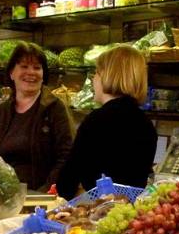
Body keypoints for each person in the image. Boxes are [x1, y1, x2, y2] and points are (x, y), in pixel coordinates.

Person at [0, 42, 74, 191]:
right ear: (12, 73)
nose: (31, 72)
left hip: (40, 200)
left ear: (43, 75)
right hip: (2, 198)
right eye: (24, 66)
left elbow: (66, 158)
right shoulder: (0, 112)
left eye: (37, 68)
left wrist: (43, 194)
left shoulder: (55, 108)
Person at [56, 45, 157, 199]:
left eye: (96, 73)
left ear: (108, 76)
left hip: (96, 212)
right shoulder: (146, 124)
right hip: (130, 213)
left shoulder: (96, 121)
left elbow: (66, 184)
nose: (93, 79)